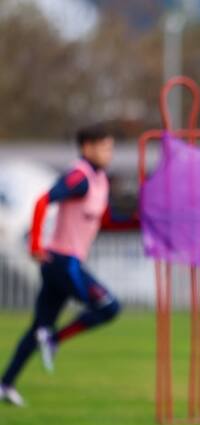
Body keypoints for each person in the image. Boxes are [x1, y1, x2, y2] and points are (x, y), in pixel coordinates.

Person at [0, 123, 138, 407]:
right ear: (87, 147)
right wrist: (35, 245)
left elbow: (106, 222)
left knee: (38, 327)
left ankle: (5, 384)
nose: (109, 153)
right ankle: (53, 339)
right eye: (104, 147)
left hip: (65, 263)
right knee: (108, 307)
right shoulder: (79, 177)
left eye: (111, 148)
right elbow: (43, 201)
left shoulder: (100, 180)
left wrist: (139, 222)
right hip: (62, 262)